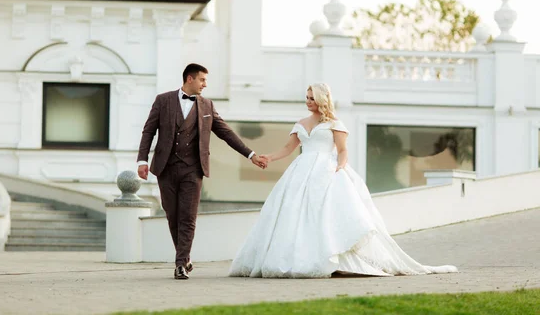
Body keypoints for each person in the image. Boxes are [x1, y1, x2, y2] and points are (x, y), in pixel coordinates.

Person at [229, 82, 458, 278]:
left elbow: (342, 150)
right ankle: (299, 258)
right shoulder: (301, 122)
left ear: (322, 99)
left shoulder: (334, 124)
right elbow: (289, 148)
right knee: (294, 214)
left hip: (326, 170)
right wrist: (268, 157)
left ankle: (335, 259)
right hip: (300, 171)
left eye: (312, 98)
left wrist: (340, 165)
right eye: (306, 98)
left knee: (326, 214)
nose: (308, 101)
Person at [137, 63, 267, 280]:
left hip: (193, 169)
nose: (205, 84)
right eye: (202, 80)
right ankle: (185, 258)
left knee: (188, 217)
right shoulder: (163, 100)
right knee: (172, 215)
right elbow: (148, 131)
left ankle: (179, 264)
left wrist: (251, 155)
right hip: (165, 167)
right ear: (190, 79)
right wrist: (142, 160)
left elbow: (226, 133)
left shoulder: (207, 106)